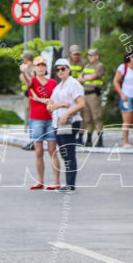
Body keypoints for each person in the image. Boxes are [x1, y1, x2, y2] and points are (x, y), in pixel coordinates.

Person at [48, 58, 86, 192]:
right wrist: (60, 105)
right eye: (57, 69)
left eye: (63, 69)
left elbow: (81, 104)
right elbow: (50, 105)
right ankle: (68, 182)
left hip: (70, 121)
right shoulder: (58, 86)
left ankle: (70, 184)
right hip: (58, 122)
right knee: (64, 153)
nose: (60, 72)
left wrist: (66, 113)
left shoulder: (73, 84)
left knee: (69, 152)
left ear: (69, 69)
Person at [26, 57, 60, 190]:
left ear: (46, 68)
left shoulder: (52, 82)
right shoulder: (32, 81)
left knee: (52, 150)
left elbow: (56, 98)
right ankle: (40, 181)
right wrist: (23, 71)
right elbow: (26, 80)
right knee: (38, 151)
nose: (40, 68)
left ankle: (56, 181)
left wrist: (43, 100)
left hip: (51, 118)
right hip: (36, 119)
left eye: (43, 66)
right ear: (34, 68)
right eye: (38, 66)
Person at [114, 50, 133, 148]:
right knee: (127, 120)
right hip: (126, 95)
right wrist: (121, 94)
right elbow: (116, 81)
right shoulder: (123, 67)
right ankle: (126, 142)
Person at [79, 48, 105, 147]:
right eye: (89, 56)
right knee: (87, 117)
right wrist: (86, 78)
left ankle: (100, 138)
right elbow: (80, 78)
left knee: (97, 116)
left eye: (92, 55)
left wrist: (85, 78)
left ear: (96, 56)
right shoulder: (87, 66)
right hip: (86, 93)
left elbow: (91, 77)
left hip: (94, 93)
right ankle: (88, 138)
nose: (90, 57)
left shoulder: (99, 66)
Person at [18, 51, 35, 150]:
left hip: (31, 95)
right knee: (29, 118)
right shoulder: (26, 68)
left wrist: (23, 76)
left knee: (32, 118)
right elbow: (21, 78)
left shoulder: (32, 68)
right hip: (27, 94)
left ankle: (34, 141)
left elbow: (28, 80)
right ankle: (32, 140)